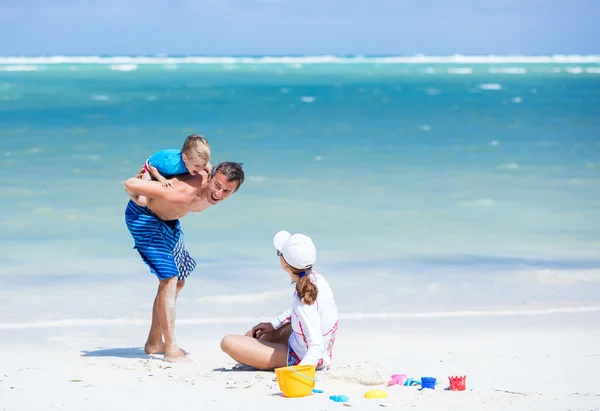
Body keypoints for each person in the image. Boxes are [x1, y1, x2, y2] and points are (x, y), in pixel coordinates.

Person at [124, 162, 245, 362]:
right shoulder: (183, 190)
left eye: (227, 191)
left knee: (178, 281)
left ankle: (154, 342)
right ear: (211, 178)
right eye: (216, 186)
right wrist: (144, 180)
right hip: (144, 219)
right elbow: (130, 184)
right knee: (169, 278)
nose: (219, 194)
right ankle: (171, 348)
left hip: (170, 223)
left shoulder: (211, 184)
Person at [220, 231, 339, 370]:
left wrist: (300, 374)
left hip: (304, 356)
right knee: (257, 338)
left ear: (284, 264)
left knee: (227, 342)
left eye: (279, 253)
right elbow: (302, 312)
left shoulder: (303, 301)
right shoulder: (317, 281)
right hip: (311, 345)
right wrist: (274, 324)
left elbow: (316, 345)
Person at [137, 134, 212, 206]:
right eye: (197, 166)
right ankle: (130, 190)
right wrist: (162, 179)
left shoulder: (195, 160)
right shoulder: (171, 164)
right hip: (149, 170)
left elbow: (207, 164)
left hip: (163, 168)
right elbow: (152, 165)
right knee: (142, 201)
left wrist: (211, 173)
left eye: (203, 165)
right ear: (185, 158)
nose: (200, 169)